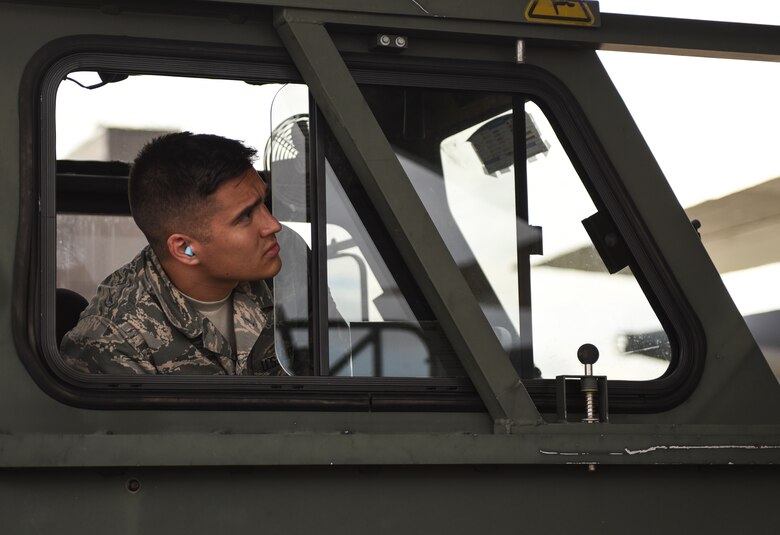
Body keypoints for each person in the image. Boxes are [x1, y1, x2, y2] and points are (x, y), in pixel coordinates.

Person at [61, 132, 290, 375]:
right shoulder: (113, 340)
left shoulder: (288, 259)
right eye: (245, 216)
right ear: (185, 249)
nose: (273, 225)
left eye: (264, 203)